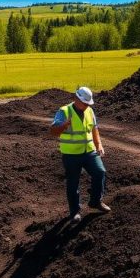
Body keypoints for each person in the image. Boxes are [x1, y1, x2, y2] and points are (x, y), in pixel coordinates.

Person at [49, 86, 110, 222]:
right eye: (84, 103)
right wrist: (64, 125)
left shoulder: (90, 111)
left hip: (89, 151)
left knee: (100, 172)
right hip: (71, 154)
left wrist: (99, 144)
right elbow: (52, 132)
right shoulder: (64, 111)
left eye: (88, 103)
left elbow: (94, 129)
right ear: (76, 98)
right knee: (73, 182)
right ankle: (75, 212)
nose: (87, 106)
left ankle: (95, 201)